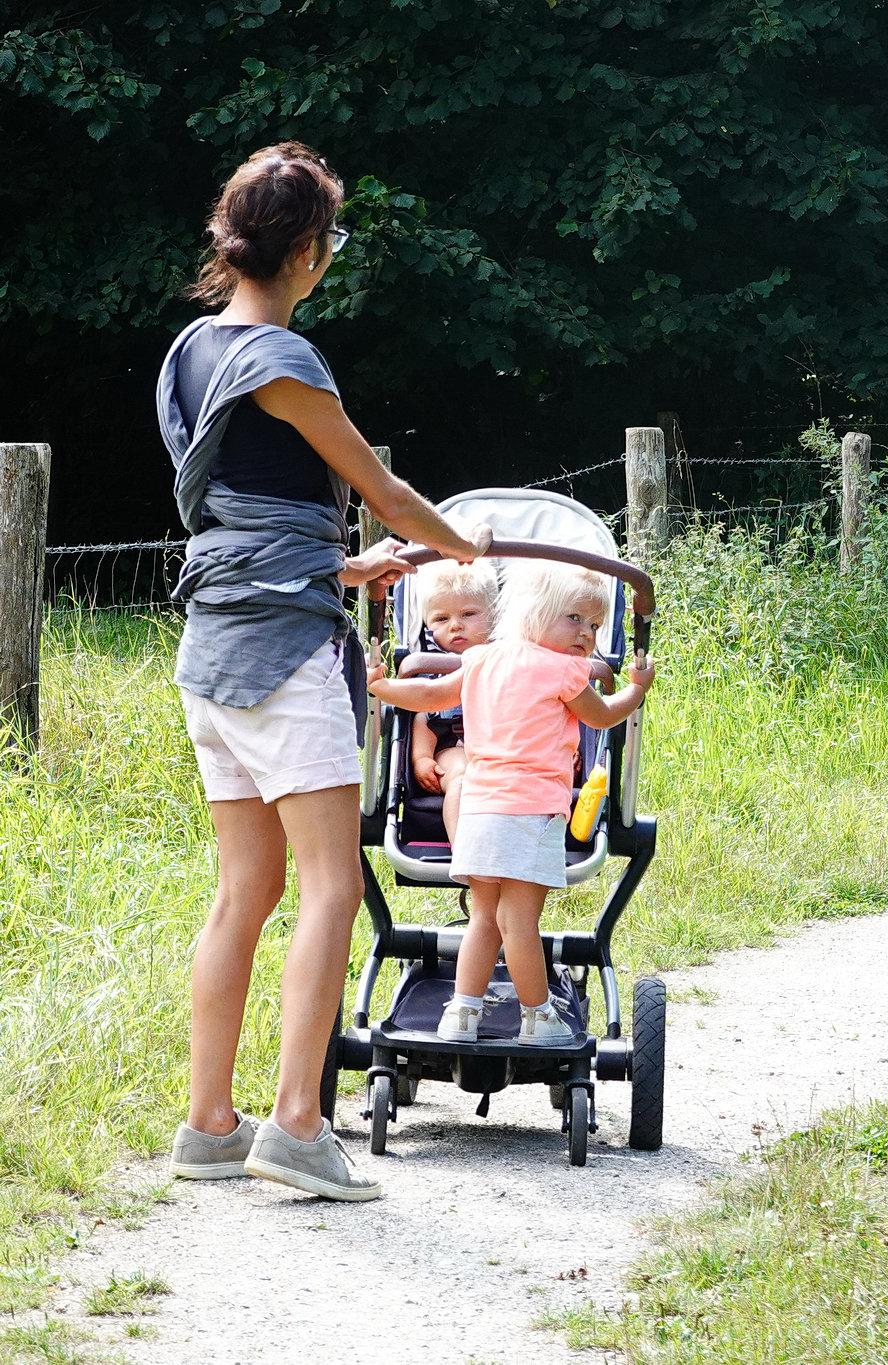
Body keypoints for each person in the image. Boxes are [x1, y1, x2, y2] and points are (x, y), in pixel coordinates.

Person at [159, 142, 491, 1201]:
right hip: (282, 654)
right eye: (329, 241)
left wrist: (347, 561)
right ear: (304, 250)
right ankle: (298, 1124)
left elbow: (247, 509)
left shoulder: (191, 352)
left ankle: (210, 1124)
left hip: (212, 648)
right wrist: (472, 549)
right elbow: (387, 492)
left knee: (244, 889)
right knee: (332, 885)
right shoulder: (284, 361)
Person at [366, 563, 656, 1044]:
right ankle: (538, 1018)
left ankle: (461, 1014)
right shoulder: (565, 670)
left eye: (594, 626)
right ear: (535, 613)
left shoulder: (482, 659)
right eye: (575, 620)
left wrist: (382, 687)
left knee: (484, 918)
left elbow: (430, 693)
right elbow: (602, 717)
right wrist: (636, 689)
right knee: (519, 921)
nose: (586, 634)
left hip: (478, 808)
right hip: (531, 812)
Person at [407, 558, 499, 842]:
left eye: (469, 614)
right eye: (441, 619)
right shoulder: (432, 666)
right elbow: (425, 716)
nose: (456, 626)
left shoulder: (510, 657)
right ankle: (465, 851)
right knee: (461, 777)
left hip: (509, 750)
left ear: (495, 615)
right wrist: (422, 758)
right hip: (454, 747)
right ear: (426, 623)